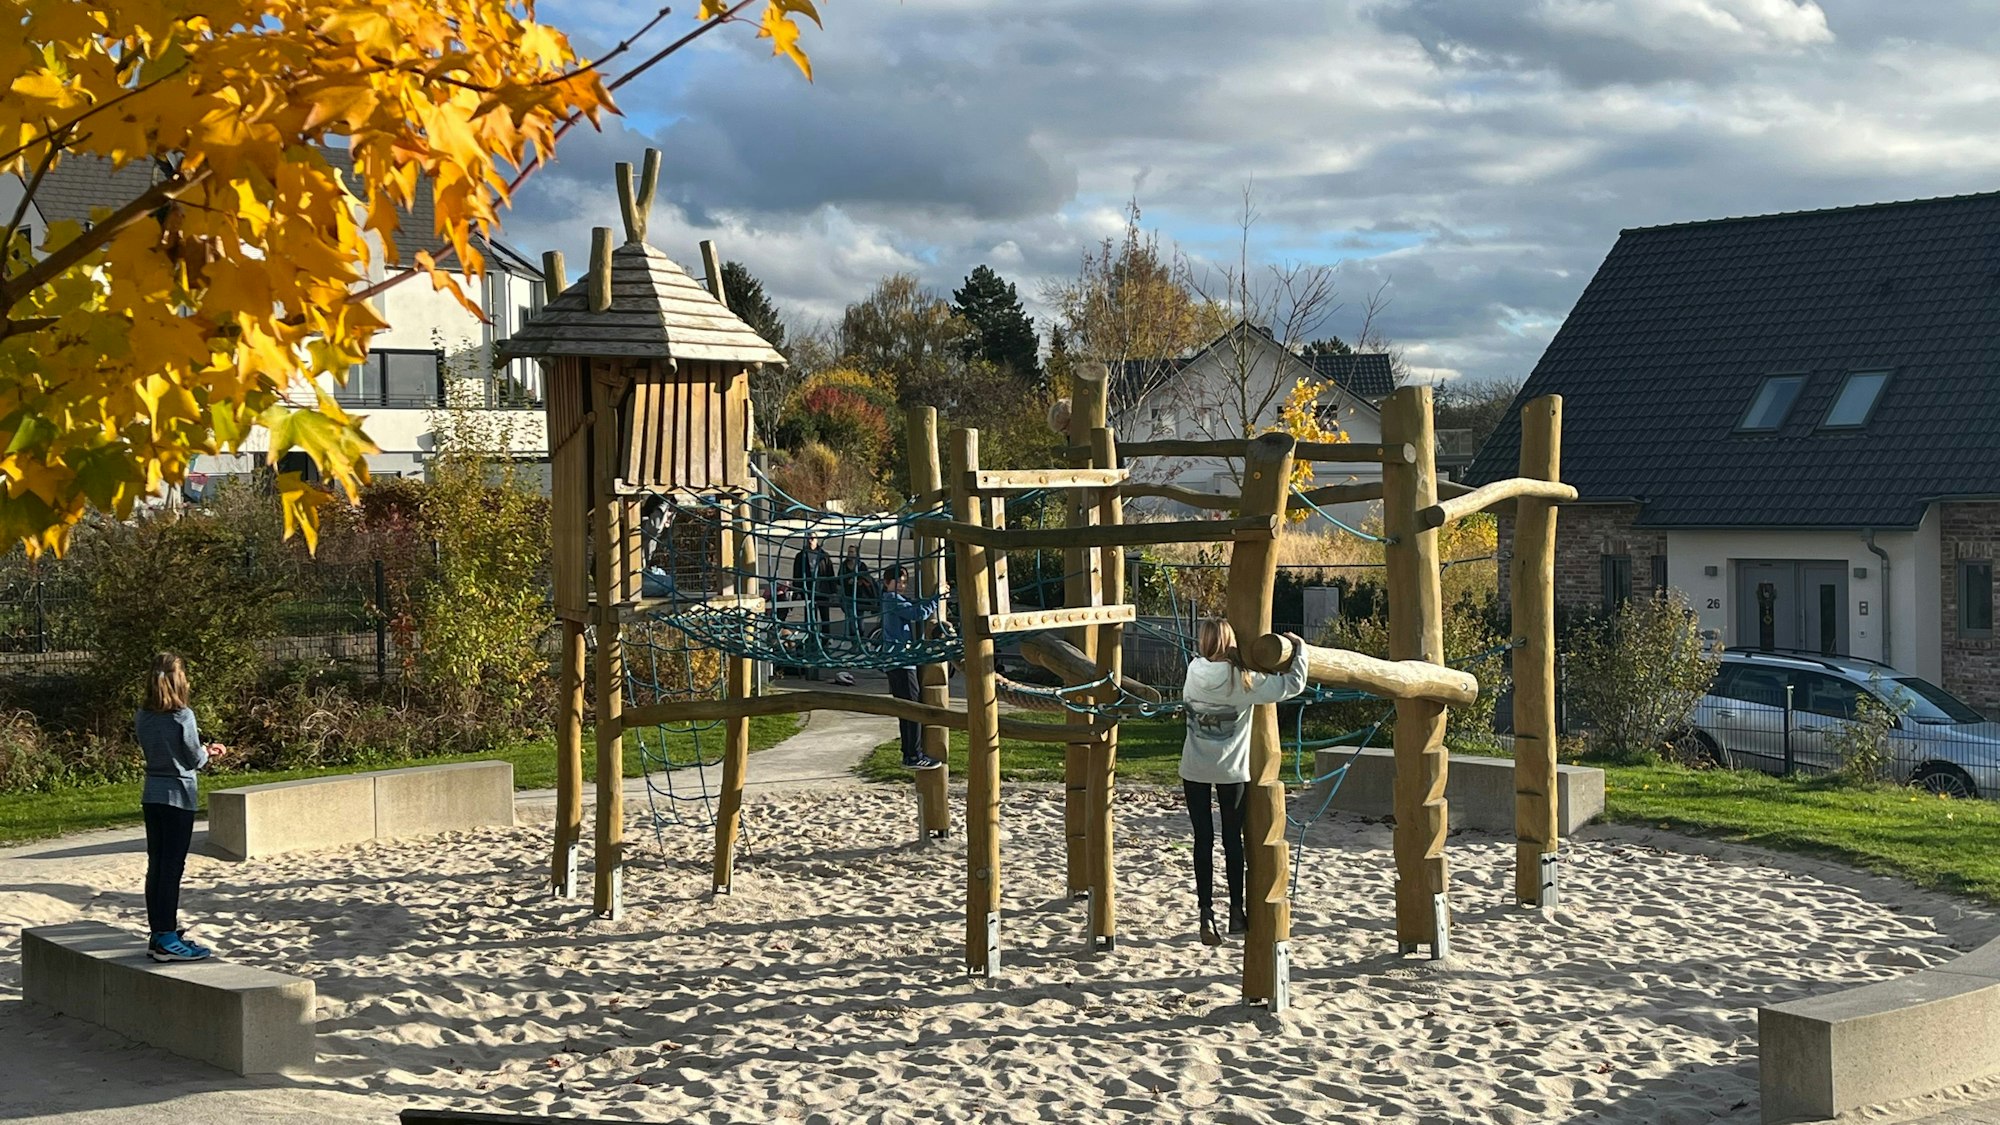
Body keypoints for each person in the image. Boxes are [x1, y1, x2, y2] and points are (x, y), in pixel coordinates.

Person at [1180, 618, 1309, 947]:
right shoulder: (1242, 680)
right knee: (1233, 841)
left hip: (1194, 768)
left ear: (1204, 643)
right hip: (1230, 771)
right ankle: (1237, 910)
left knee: (1202, 841)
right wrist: (1299, 648)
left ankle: (1205, 910)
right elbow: (1291, 685)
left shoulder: (1193, 672)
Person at [136, 653, 228, 962]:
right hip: (178, 795)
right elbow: (192, 758)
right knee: (172, 867)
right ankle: (166, 936)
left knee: (157, 865)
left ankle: (159, 931)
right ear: (180, 680)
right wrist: (209, 752)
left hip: (153, 794)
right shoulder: (182, 715)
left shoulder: (143, 715)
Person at [879, 565, 945, 769]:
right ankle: (913, 756)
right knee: (913, 708)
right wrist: (938, 597)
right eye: (897, 581)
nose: (901, 585)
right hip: (900, 662)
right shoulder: (892, 599)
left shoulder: (892, 600)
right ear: (887, 583)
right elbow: (918, 613)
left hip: (898, 660)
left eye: (904, 582)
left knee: (906, 709)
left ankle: (909, 754)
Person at [791, 532, 834, 678]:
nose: (810, 540)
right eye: (808, 538)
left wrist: (833, 591)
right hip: (808, 592)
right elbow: (796, 574)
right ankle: (811, 641)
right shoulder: (800, 556)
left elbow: (830, 573)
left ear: (817, 540)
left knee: (825, 617)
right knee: (810, 617)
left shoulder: (824, 555)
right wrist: (797, 591)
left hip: (823, 592)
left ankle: (826, 641)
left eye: (813, 538)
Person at [837, 545, 878, 637]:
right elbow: (839, 579)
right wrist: (847, 581)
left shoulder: (861, 565)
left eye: (852, 552)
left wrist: (859, 581)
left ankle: (861, 637)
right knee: (851, 618)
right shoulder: (844, 566)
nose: (850, 554)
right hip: (847, 595)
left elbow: (867, 579)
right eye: (849, 552)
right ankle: (854, 640)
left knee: (859, 618)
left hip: (860, 596)